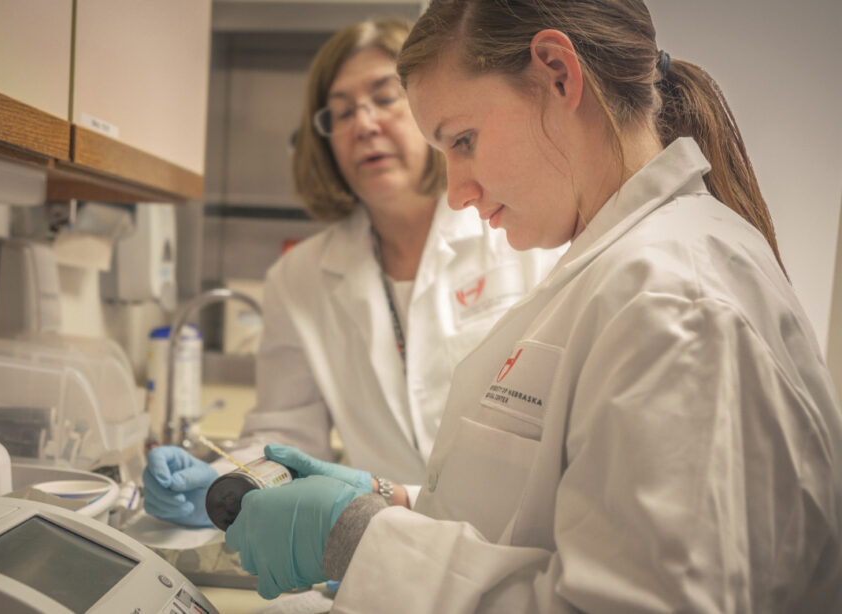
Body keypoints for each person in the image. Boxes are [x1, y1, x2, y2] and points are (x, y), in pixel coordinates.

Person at [222, 1, 842, 611]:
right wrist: (397, 504)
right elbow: (548, 519)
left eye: (463, 139)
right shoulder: (615, 271)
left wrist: (359, 541)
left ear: (557, 73)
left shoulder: (674, 302)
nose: (458, 192)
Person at [142, 18, 562, 527]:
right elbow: (288, 436)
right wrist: (227, 481)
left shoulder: (518, 231)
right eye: (341, 112)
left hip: (515, 542)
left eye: (385, 98)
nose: (363, 124)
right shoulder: (299, 278)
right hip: (381, 549)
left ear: (433, 108)